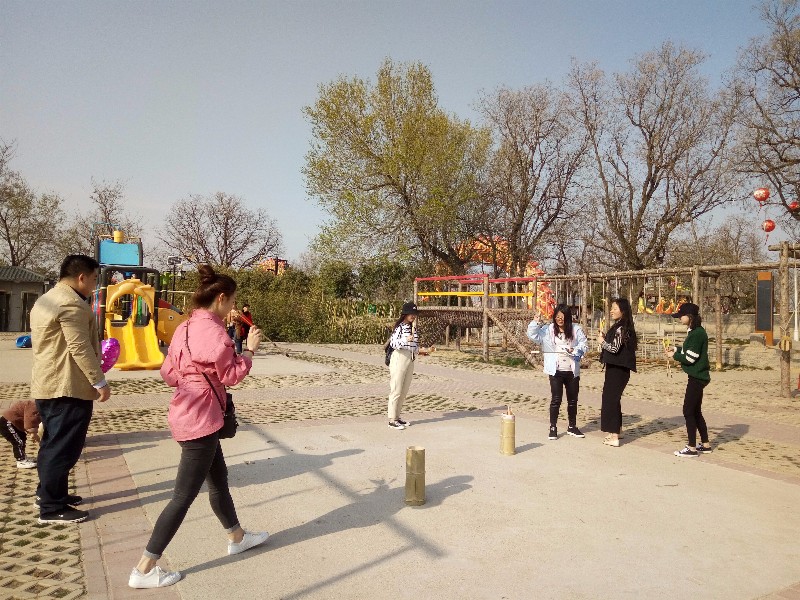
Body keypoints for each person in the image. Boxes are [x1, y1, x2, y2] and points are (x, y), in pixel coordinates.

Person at [129, 264, 268, 589]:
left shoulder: (184, 327)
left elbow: (168, 373)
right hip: (201, 420)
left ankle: (237, 536)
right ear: (220, 298)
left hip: (188, 410)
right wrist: (249, 350)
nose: (233, 307)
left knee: (219, 480)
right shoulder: (216, 333)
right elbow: (232, 374)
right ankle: (145, 567)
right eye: (232, 301)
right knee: (182, 496)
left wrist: (191, 379)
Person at [30, 254, 110, 524]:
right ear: (81, 277)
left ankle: (49, 494)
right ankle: (51, 508)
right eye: (95, 279)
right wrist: (99, 381)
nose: (95, 285)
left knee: (53, 444)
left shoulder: (47, 298)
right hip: (67, 386)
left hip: (48, 384)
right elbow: (79, 346)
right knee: (63, 448)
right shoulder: (70, 304)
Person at [526, 304, 589, 440]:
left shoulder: (576, 329)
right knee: (556, 399)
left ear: (568, 317)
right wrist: (535, 322)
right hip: (555, 371)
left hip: (572, 371)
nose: (560, 319)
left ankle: (572, 426)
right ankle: (553, 427)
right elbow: (532, 335)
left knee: (572, 400)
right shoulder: (548, 329)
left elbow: (584, 344)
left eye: (563, 317)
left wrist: (575, 350)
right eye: (557, 316)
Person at [665, 303, 712, 457]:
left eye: (681, 315)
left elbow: (690, 358)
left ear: (689, 316)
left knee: (688, 411)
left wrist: (674, 356)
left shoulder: (697, 334)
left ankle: (691, 447)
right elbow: (689, 350)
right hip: (698, 376)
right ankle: (705, 444)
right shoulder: (695, 332)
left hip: (697, 377)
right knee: (696, 411)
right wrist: (676, 349)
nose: (679, 318)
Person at [596, 298, 637, 447]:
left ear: (623, 311)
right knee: (614, 399)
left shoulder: (622, 328)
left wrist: (602, 342)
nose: (611, 311)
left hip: (618, 369)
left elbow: (614, 348)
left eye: (614, 308)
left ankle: (614, 436)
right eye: (612, 308)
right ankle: (617, 430)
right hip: (616, 368)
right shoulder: (620, 326)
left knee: (610, 399)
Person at [386, 302, 433, 430]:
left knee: (404, 390)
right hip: (399, 357)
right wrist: (406, 339)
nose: (413, 316)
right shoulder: (400, 328)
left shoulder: (413, 329)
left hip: (410, 358)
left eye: (414, 314)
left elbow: (414, 346)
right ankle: (391, 420)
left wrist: (423, 351)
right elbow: (393, 343)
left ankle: (397, 417)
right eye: (411, 313)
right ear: (405, 314)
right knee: (396, 389)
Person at [1, 400, 41, 468]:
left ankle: (23, 457)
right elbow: (30, 419)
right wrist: (33, 433)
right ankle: (20, 461)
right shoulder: (34, 406)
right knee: (18, 441)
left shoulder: (38, 406)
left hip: (15, 424)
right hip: (7, 423)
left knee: (22, 438)